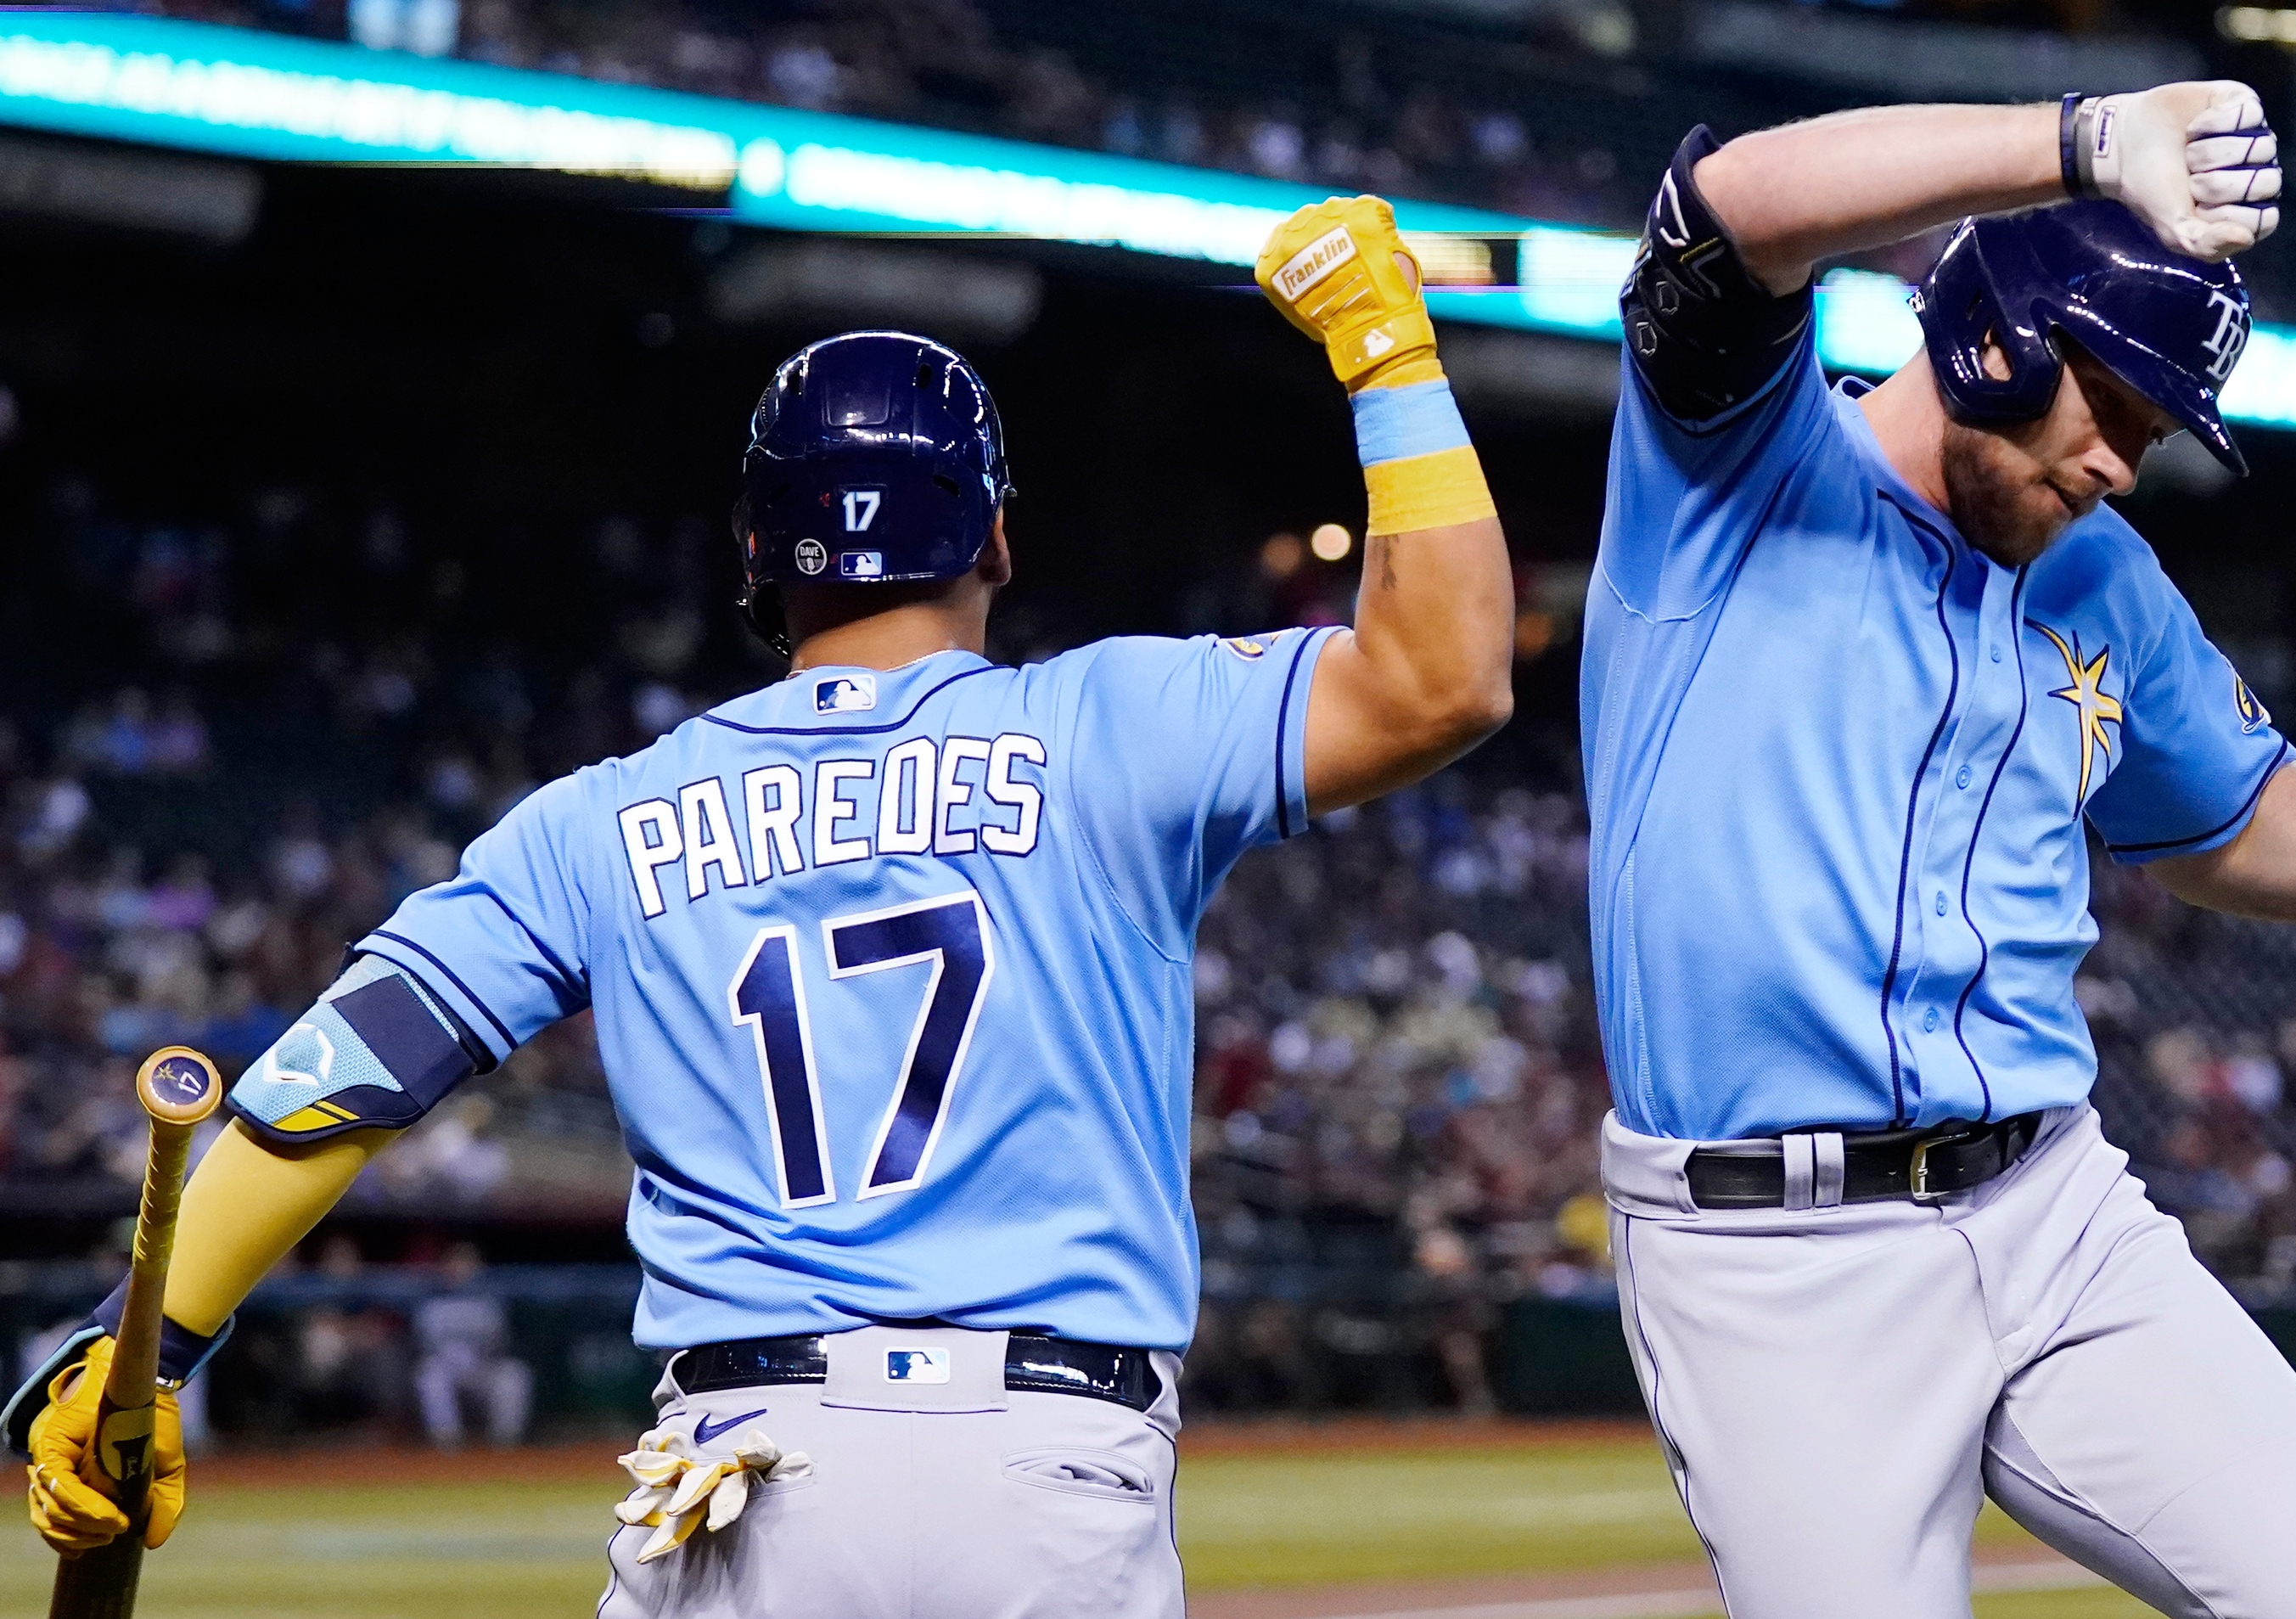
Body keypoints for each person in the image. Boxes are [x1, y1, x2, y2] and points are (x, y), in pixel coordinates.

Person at [12, 194, 1513, 1618]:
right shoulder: (1116, 721)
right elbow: (1447, 677)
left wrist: (148, 1340)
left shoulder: (596, 818)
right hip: (1052, 1462)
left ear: (753, 554)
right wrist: (1390, 355)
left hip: (743, 1472)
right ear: (994, 535)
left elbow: (333, 1083)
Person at [1582, 84, 2296, 1618]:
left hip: (2056, 1209)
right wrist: (2081, 144)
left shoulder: (2105, 581)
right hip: (1778, 1258)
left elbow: (2246, 818)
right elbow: (1732, 210)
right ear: (2001, 332)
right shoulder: (1737, 468)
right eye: (2115, 407)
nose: (2123, 462)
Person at [413, 1241, 533, 1451]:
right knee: (430, 1377)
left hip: (483, 1367)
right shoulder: (432, 1299)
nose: (461, 1268)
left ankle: (505, 1444)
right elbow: (421, 1345)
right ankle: (447, 1442)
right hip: (447, 1367)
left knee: (514, 1375)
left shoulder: (492, 1300)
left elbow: (503, 1343)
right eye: (456, 1263)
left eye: (467, 1262)